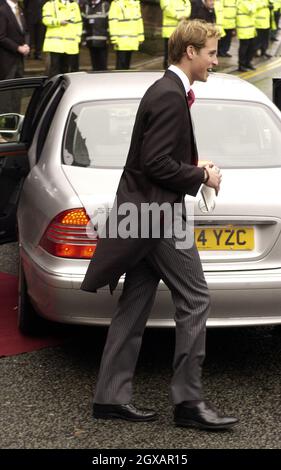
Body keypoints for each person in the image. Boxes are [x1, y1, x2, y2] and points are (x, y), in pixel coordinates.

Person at [81, 19, 238, 431]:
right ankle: (188, 403)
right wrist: (201, 176)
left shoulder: (164, 90)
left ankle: (109, 398)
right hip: (159, 216)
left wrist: (191, 165)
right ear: (190, 52)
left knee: (134, 303)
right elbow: (154, 163)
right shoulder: (168, 96)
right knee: (196, 298)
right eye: (210, 53)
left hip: (144, 212)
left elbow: (156, 157)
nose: (214, 61)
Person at [42, 0, 82, 76]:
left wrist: (77, 39)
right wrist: (59, 22)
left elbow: (78, 23)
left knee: (66, 71)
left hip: (70, 45)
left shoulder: (74, 5)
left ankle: (63, 87)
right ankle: (54, 87)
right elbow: (46, 20)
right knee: (54, 71)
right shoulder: (50, 4)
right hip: (55, 45)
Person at [108, 0, 144, 70]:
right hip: (121, 41)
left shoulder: (135, 4)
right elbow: (113, 22)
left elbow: (139, 21)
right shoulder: (116, 4)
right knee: (121, 66)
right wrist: (114, 38)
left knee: (127, 65)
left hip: (132, 40)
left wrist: (140, 36)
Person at [0, 0, 30, 80]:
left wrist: (26, 44)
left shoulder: (20, 9)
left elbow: (25, 31)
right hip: (6, 60)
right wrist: (18, 48)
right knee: (7, 89)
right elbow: (1, 37)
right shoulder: (2, 10)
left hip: (19, 59)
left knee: (18, 88)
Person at [160, 0, 191, 69]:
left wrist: (185, 15)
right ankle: (167, 68)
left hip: (181, 30)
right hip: (169, 31)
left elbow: (188, 5)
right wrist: (179, 16)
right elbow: (166, 9)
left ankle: (178, 68)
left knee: (180, 51)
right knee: (169, 52)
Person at [80, 0, 110, 71]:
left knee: (102, 65)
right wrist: (84, 39)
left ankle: (103, 80)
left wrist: (108, 38)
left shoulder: (105, 5)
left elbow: (109, 22)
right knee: (94, 66)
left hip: (102, 41)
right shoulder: (86, 6)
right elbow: (83, 24)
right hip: (91, 41)